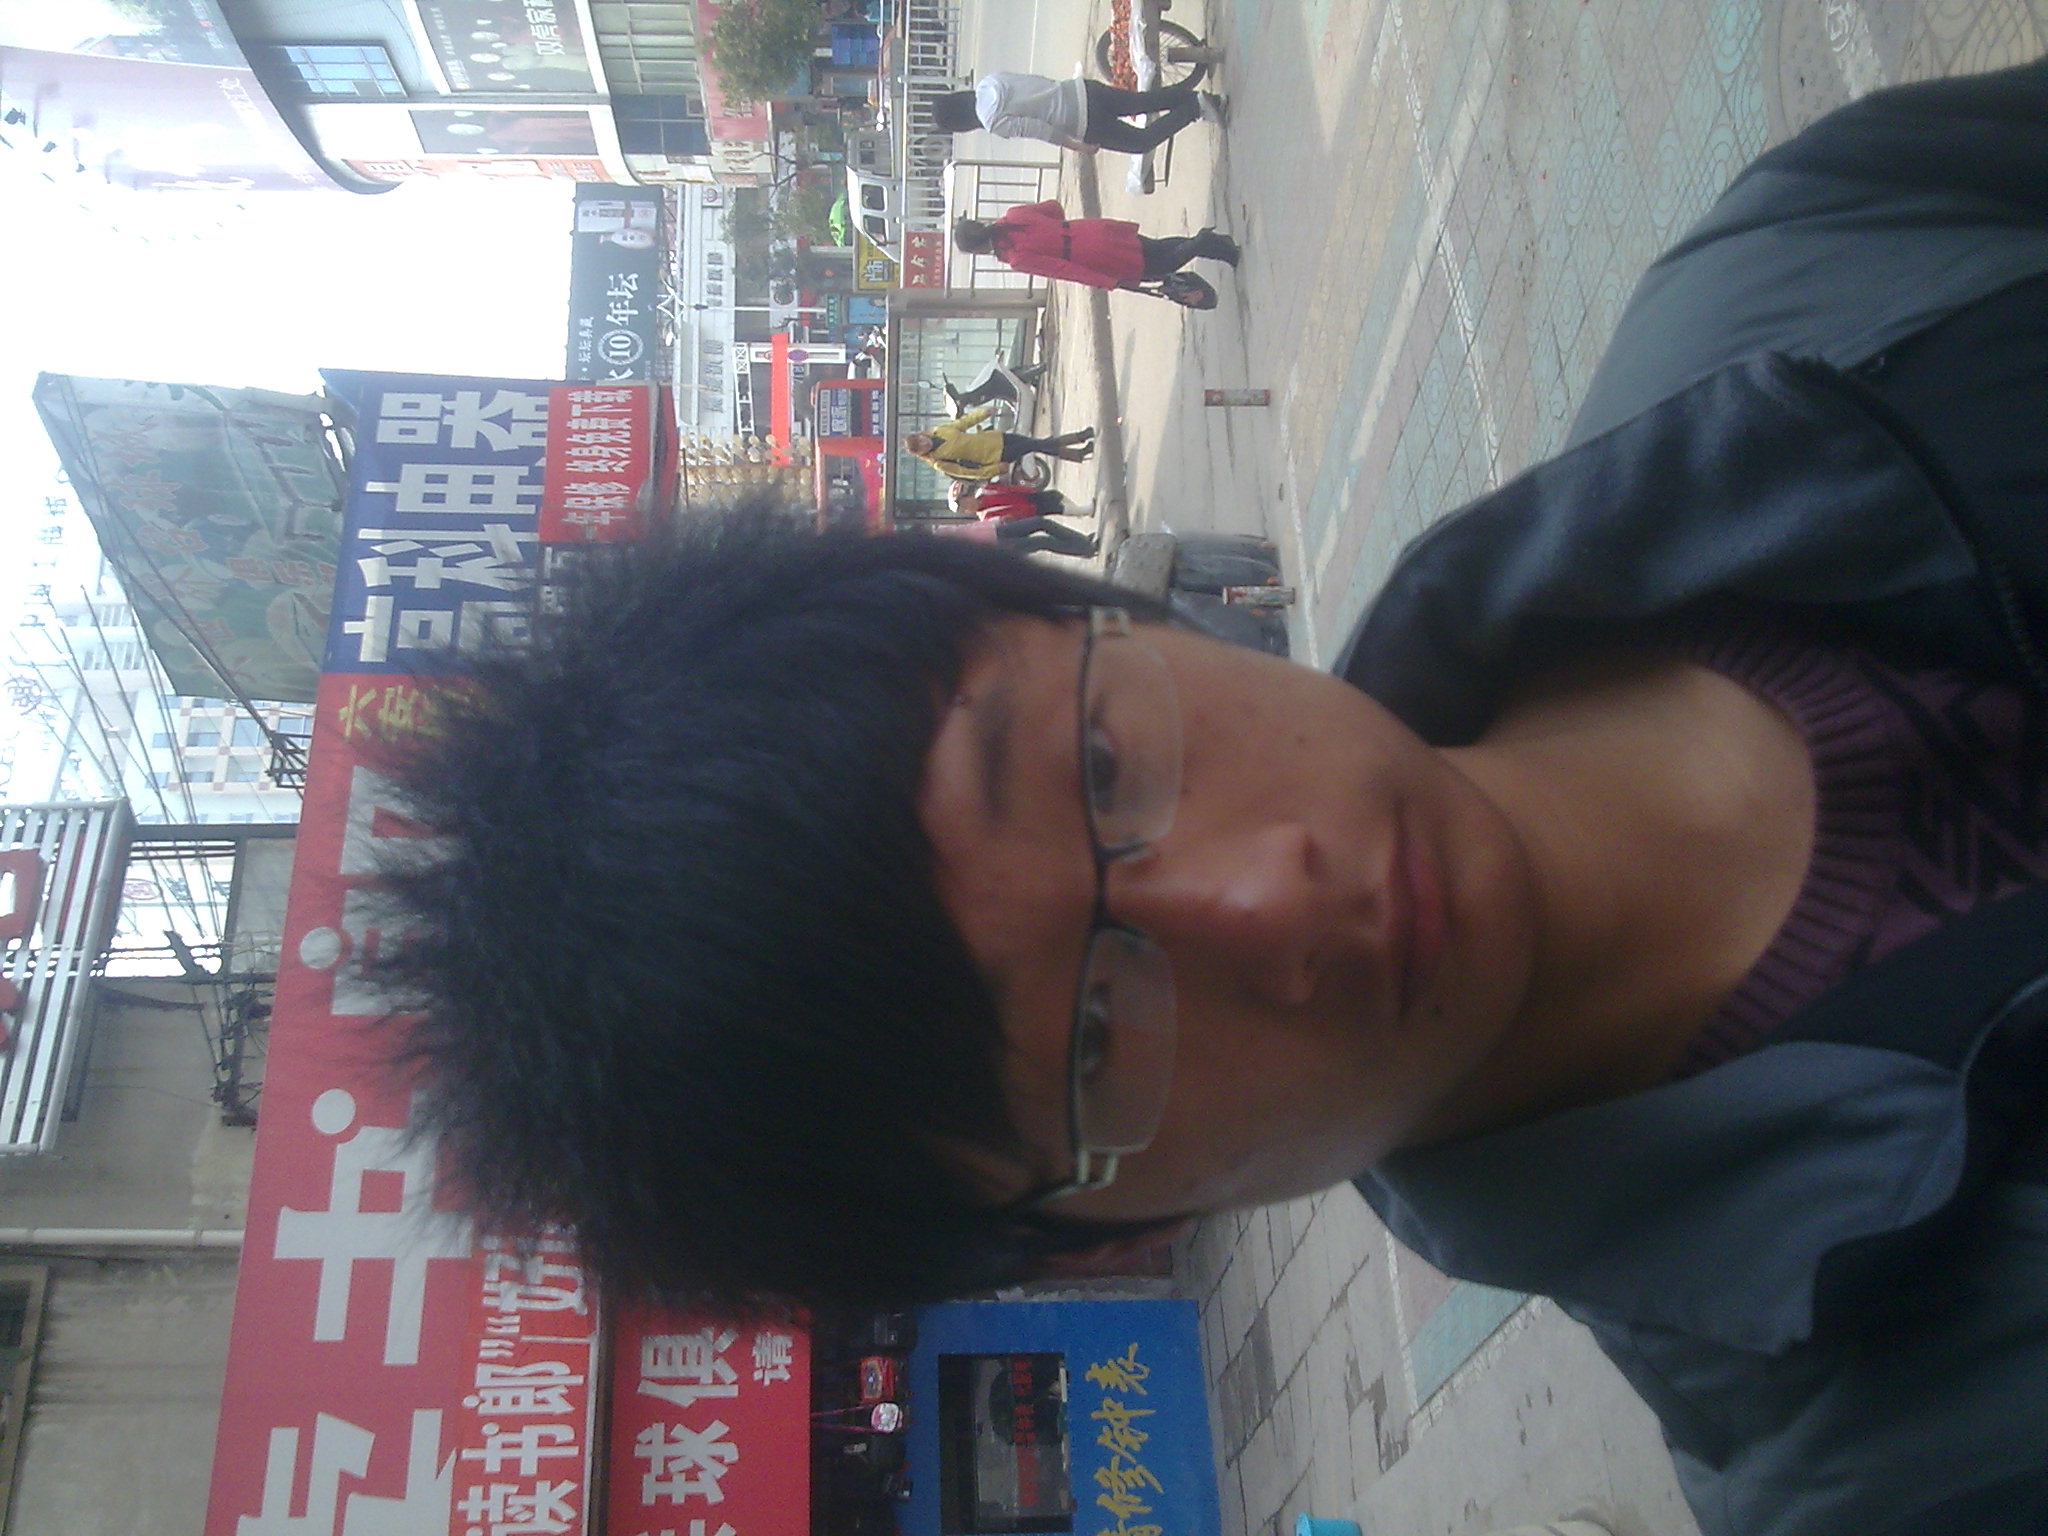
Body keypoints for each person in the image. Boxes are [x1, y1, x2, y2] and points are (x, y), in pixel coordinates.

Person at [375, 60, 2048, 1536]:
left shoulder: (1841, 271)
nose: (1268, 897)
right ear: (1105, 1230)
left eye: (1099, 765)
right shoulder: (1914, 1470)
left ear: (1101, 608)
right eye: (1096, 1044)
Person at [952, 203, 1240, 291]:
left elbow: (1064, 270)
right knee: (1156, 247)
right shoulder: (1013, 216)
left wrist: (1108, 282)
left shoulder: (1016, 257)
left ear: (977, 250)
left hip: (1092, 257)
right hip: (1090, 230)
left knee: (1159, 268)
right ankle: (1220, 247)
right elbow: (1054, 208)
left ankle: (1204, 241)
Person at [930, 72, 1223, 156]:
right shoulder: (989, 82)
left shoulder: (992, 121)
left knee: (1141, 143)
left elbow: (1040, 130)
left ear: (961, 124)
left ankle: (1195, 108)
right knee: (1142, 102)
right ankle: (1197, 99)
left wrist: (1077, 146)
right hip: (1081, 89)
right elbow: (1035, 80)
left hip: (1083, 122)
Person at [905, 405, 1093, 481]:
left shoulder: (939, 430)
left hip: (995, 438)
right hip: (996, 456)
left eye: (920, 439)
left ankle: (1078, 454)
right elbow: (968, 472)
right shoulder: (939, 461)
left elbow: (963, 423)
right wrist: (995, 470)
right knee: (1036, 444)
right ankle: (1079, 437)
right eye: (920, 447)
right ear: (921, 453)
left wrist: (983, 413)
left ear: (921, 435)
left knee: (1037, 444)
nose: (924, 443)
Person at [929, 514, 1097, 560]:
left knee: (1040, 522)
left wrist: (996, 521)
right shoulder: (942, 554)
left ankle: (1081, 540)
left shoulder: (939, 532)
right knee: (1041, 542)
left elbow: (967, 528)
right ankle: (1084, 550)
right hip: (996, 548)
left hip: (997, 531)